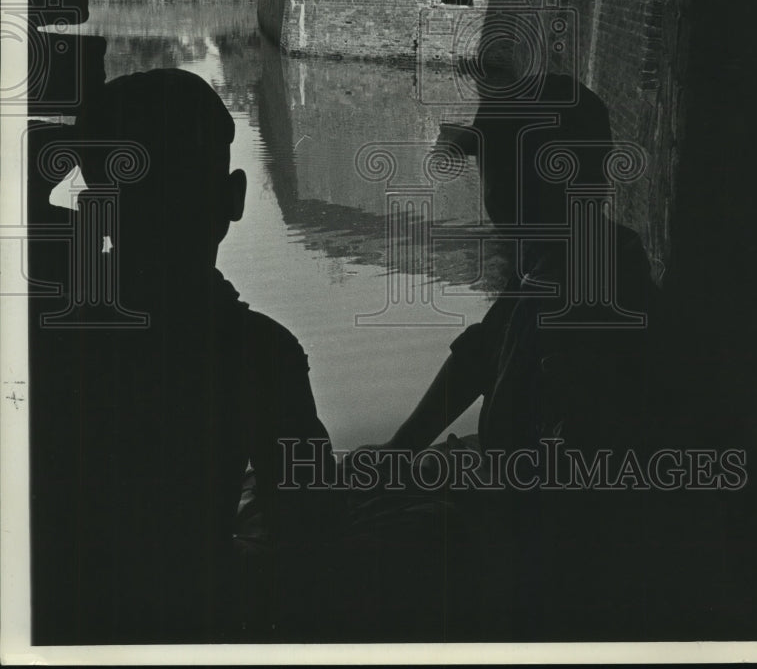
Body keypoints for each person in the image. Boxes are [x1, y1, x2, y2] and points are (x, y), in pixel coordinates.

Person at [30, 69, 336, 644]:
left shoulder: (48, 331)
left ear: (97, 209)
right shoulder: (259, 353)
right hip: (191, 606)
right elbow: (312, 527)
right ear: (234, 199)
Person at [354, 73, 660, 640]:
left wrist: (442, 485)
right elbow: (480, 354)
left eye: (495, 172)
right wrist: (401, 451)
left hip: (532, 543)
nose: (488, 192)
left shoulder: (591, 285)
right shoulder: (574, 251)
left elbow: (572, 481)